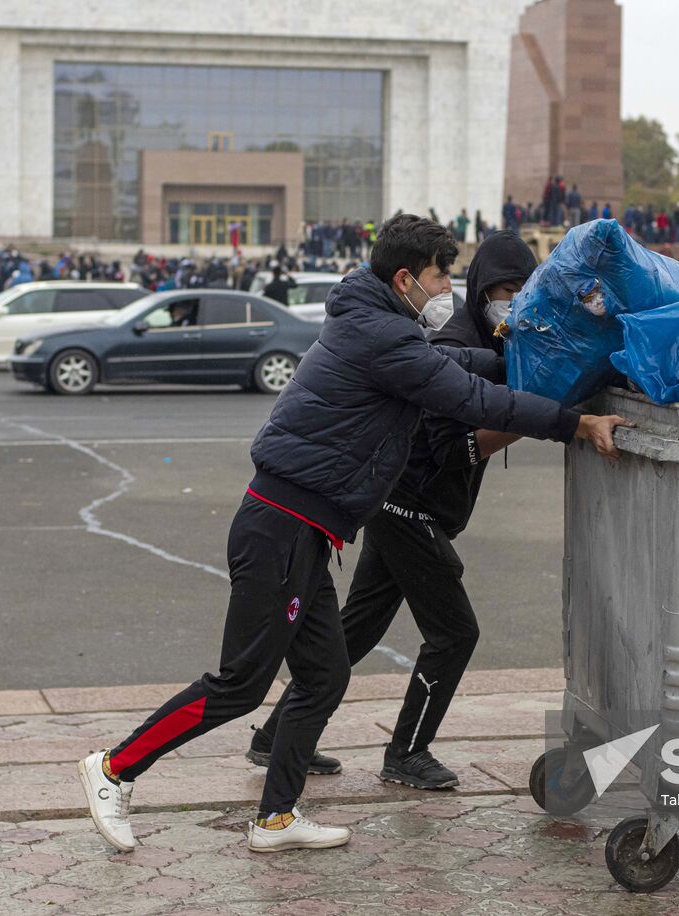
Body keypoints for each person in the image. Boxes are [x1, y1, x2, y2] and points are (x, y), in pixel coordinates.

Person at [77, 215, 630, 855]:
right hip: (280, 527)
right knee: (240, 684)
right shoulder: (385, 340)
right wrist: (576, 422)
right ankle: (114, 769)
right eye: (438, 275)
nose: (445, 286)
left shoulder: (380, 322)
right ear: (405, 278)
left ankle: (276, 818)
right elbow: (475, 400)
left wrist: (517, 356)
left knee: (323, 675)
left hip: (306, 530)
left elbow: (450, 360)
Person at [245, 230, 536, 789]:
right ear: (480, 288)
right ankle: (407, 753)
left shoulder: (502, 336)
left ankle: (275, 737)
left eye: (525, 288)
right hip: (409, 507)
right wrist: (533, 422)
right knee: (455, 634)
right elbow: (448, 446)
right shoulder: (452, 336)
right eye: (504, 287)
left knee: (355, 630)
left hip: (401, 503)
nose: (513, 298)